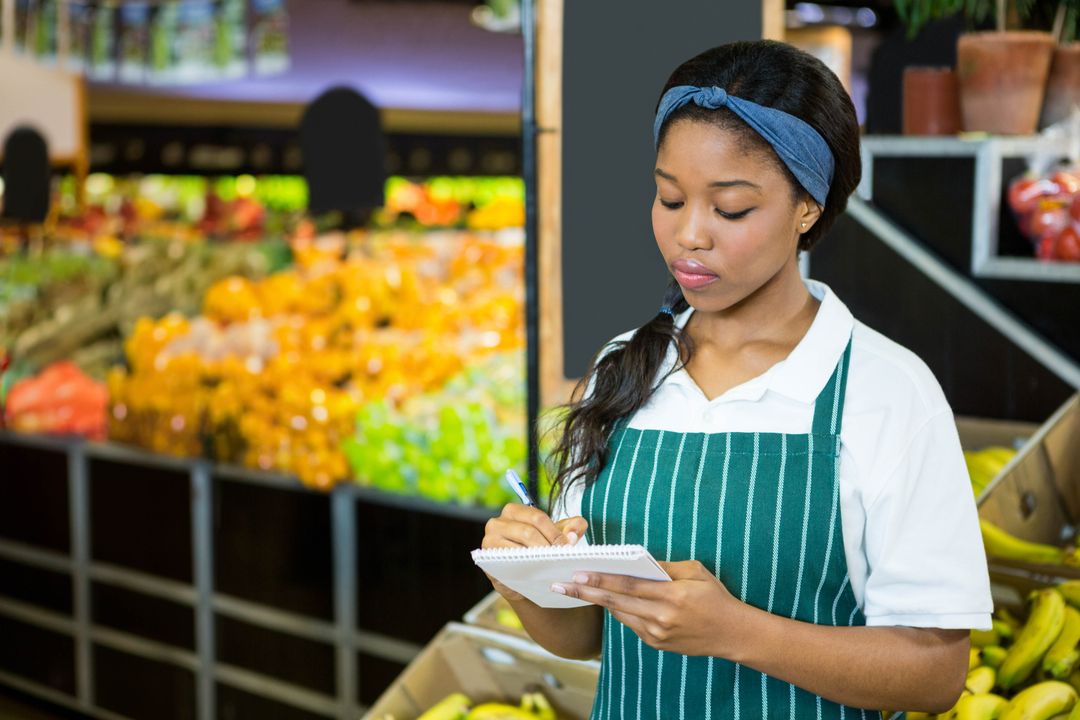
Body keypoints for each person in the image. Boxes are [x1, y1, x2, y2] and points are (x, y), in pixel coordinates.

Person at [480, 40, 991, 718]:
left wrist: (739, 633)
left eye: (731, 210)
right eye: (669, 198)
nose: (689, 234)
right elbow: (584, 636)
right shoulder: (622, 367)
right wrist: (525, 580)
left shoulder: (886, 391)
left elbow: (934, 673)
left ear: (807, 207)